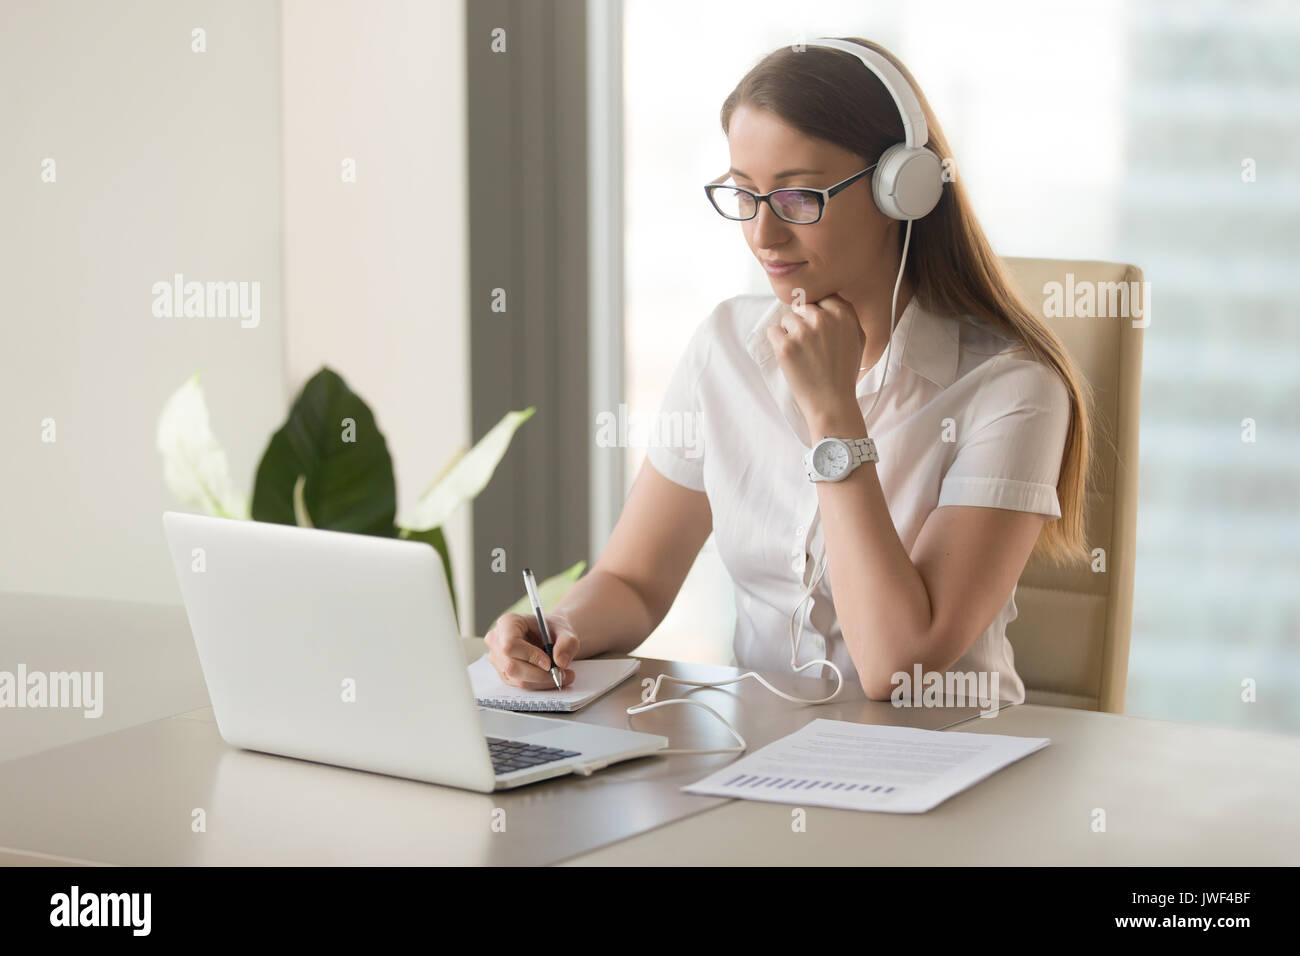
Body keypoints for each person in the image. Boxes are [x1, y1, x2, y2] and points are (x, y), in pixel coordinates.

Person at [485, 37, 1093, 704]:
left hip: (945, 765)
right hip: (759, 757)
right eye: (744, 195)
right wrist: (562, 626)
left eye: (800, 198)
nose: (764, 237)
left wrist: (834, 414)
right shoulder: (726, 347)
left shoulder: (1012, 389)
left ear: (904, 190)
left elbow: (899, 663)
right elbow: (635, 580)